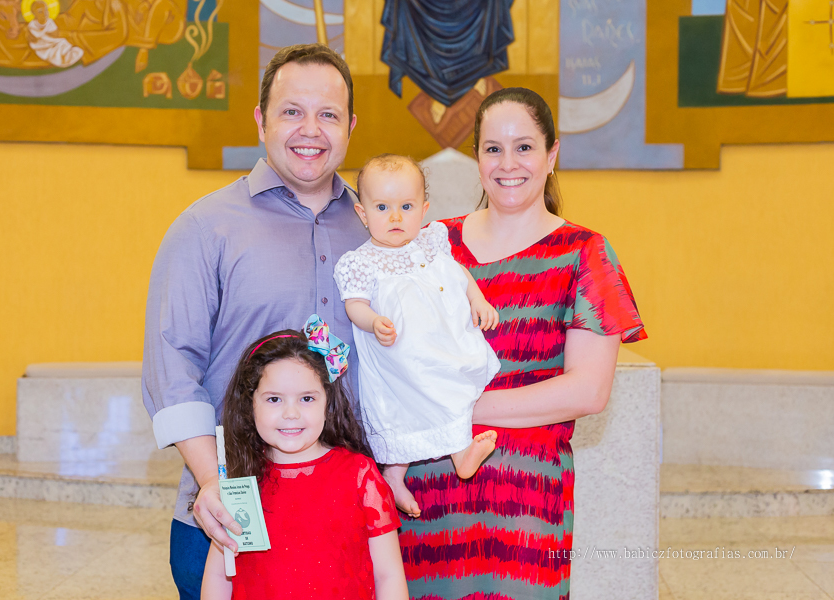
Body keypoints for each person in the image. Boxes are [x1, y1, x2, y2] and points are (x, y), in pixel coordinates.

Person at [398, 88, 647, 599]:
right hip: (427, 499)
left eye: (524, 147)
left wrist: (460, 407)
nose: (508, 164)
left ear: (552, 155)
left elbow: (588, 392)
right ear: (476, 158)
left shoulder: (584, 252)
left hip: (527, 504)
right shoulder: (430, 244)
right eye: (493, 148)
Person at [142, 43, 366, 599]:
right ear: (261, 119)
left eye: (328, 114)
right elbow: (172, 370)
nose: (310, 129)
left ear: (351, 126)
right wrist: (211, 480)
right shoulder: (206, 227)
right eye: (292, 111)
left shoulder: (378, 230)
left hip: (348, 514)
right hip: (232, 516)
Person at [333, 154, 501, 518]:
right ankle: (397, 476)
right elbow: (353, 304)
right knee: (403, 412)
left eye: (406, 206)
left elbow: (459, 275)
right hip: (400, 357)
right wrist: (372, 320)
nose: (395, 217)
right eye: (383, 207)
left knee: (449, 389)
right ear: (363, 214)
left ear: (423, 209)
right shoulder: (362, 262)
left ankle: (457, 452)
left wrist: (478, 299)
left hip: (442, 344)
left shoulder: (430, 243)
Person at [200, 320, 408, 600]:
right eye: (274, 399)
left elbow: (388, 575)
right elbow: (219, 573)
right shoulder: (240, 479)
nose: (291, 413)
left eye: (307, 398)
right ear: (251, 404)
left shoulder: (360, 475)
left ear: (328, 402)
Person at [25, 0, 84, 68]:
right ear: (34, 13)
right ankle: (62, 58)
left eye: (46, 10)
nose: (44, 13)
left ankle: (66, 55)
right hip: (41, 46)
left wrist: (47, 33)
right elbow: (31, 36)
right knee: (56, 49)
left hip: (52, 42)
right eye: (40, 11)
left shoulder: (49, 22)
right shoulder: (32, 25)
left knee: (62, 42)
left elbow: (55, 35)